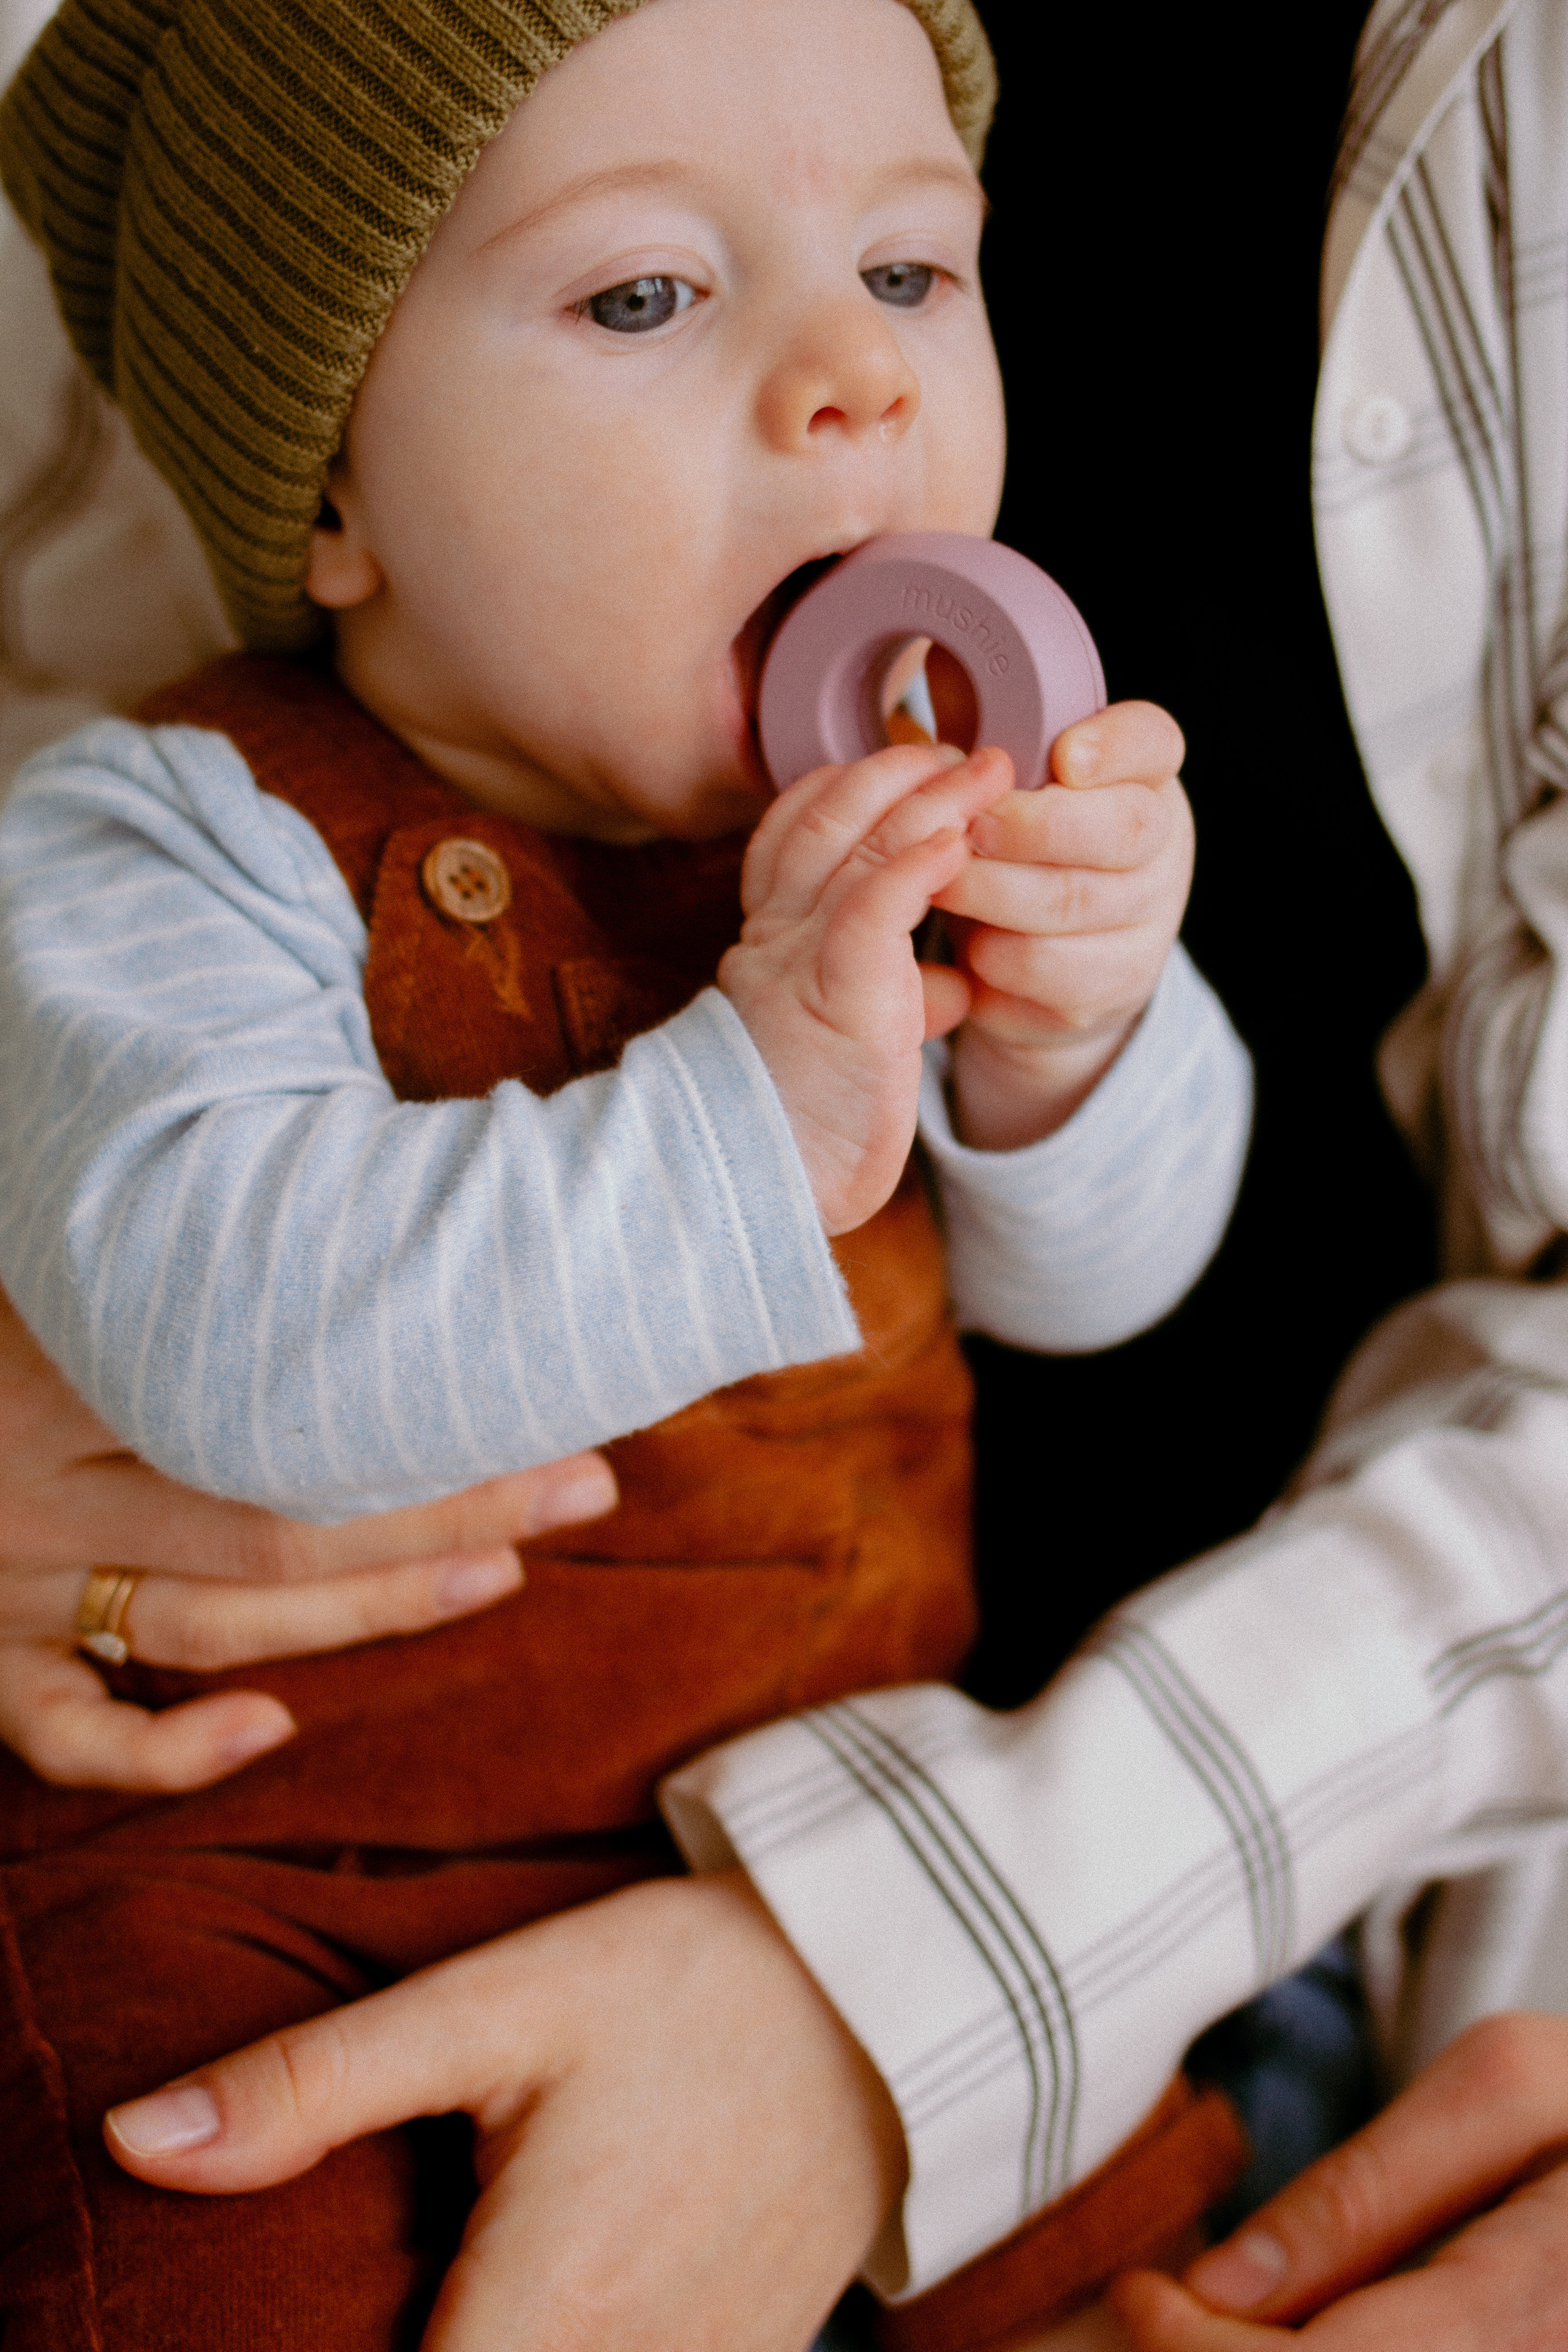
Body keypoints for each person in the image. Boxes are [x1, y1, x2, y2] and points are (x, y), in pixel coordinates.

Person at [91, 0, 1568, 2346]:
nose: (852, 387)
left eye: (909, 275)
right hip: (298, 1909)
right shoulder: (164, 845)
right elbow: (230, 1348)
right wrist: (756, 1110)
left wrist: (1070, 1042)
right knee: (205, 2244)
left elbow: (1099, 1289)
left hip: (900, 1829)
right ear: (334, 495)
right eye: (647, 296)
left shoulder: (884, 822)